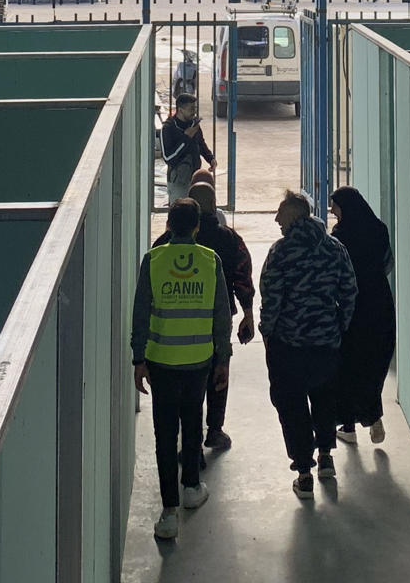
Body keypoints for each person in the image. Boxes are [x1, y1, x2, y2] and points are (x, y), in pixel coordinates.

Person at [132, 199, 232, 540]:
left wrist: (138, 359)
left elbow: (141, 312)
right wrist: (223, 359)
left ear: (168, 225)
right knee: (192, 424)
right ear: (197, 227)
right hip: (198, 360)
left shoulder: (153, 260)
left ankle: (169, 512)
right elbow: (222, 316)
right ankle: (192, 487)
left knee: (164, 434)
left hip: (161, 361)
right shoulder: (210, 261)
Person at [258, 187, 357, 498]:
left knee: (292, 406)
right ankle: (326, 456)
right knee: (325, 398)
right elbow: (349, 290)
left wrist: (268, 331)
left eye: (281, 213)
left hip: (289, 345)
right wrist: (338, 325)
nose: (276, 218)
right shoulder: (334, 248)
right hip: (326, 343)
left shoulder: (281, 252)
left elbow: (271, 298)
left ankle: (304, 471)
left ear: (295, 215)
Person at [154, 179, 256, 449]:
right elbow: (243, 277)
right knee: (218, 370)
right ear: (213, 205)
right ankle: (214, 429)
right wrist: (248, 313)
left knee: (183, 381)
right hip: (216, 322)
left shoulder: (163, 244)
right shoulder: (230, 238)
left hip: (173, 328)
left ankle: (188, 437)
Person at [328, 186, 396, 446]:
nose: (333, 212)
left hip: (353, 306)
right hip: (379, 302)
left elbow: (338, 274)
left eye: (336, 207)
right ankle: (373, 418)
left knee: (349, 364)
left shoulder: (340, 236)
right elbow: (387, 263)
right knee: (374, 361)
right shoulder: (379, 229)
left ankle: (348, 426)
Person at [160, 92, 215, 206]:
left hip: (194, 176)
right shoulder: (168, 128)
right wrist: (186, 138)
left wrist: (210, 158)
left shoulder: (193, 124)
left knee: (196, 211)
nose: (194, 112)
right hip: (178, 181)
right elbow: (168, 157)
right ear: (180, 110)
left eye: (195, 108)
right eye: (191, 109)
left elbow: (200, 143)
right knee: (180, 214)